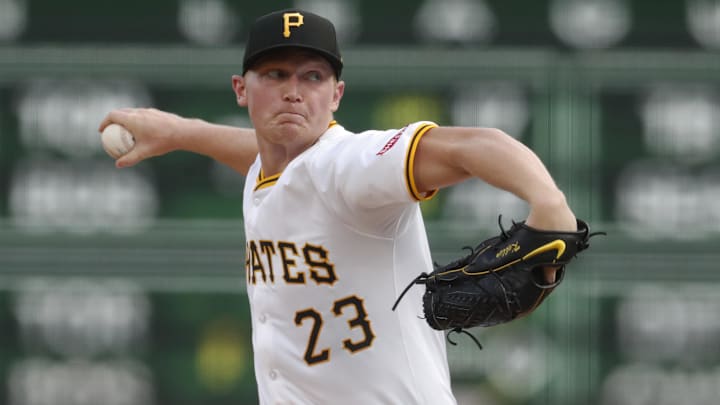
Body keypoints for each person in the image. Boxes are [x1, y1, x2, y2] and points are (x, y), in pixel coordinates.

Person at [100, 8, 578, 405]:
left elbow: (475, 144)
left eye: (313, 76)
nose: (293, 89)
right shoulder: (274, 172)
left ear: (337, 95)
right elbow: (268, 159)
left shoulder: (351, 165)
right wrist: (180, 132)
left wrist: (549, 205)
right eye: (275, 74)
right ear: (241, 89)